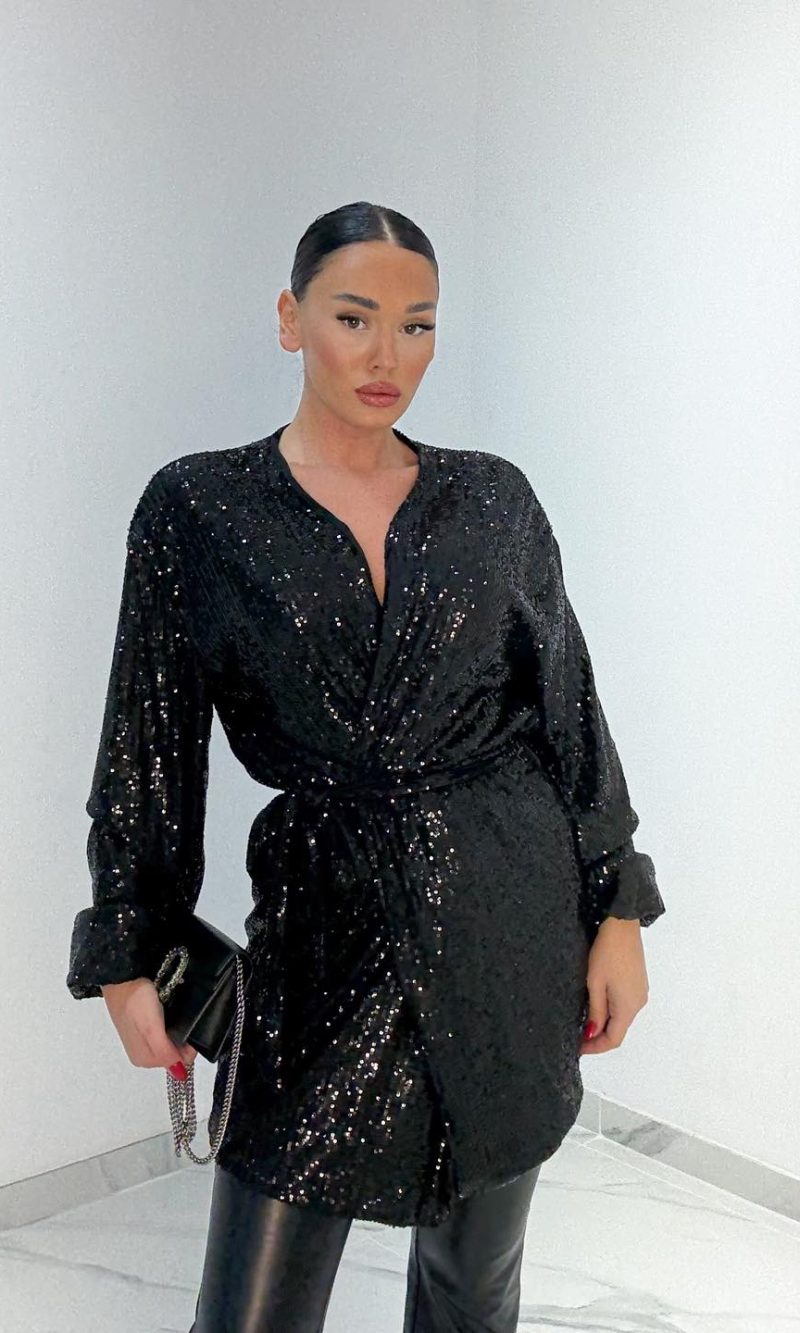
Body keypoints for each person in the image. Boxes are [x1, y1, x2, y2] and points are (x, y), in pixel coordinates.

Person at [66, 200, 666, 1332]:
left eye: (417, 324)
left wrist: (618, 909)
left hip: (507, 923)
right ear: (289, 319)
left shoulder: (493, 498)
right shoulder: (200, 507)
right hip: (323, 933)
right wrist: (127, 946)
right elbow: (148, 740)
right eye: (354, 317)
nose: (388, 354)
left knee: (470, 1290)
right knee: (250, 1310)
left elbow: (569, 714)